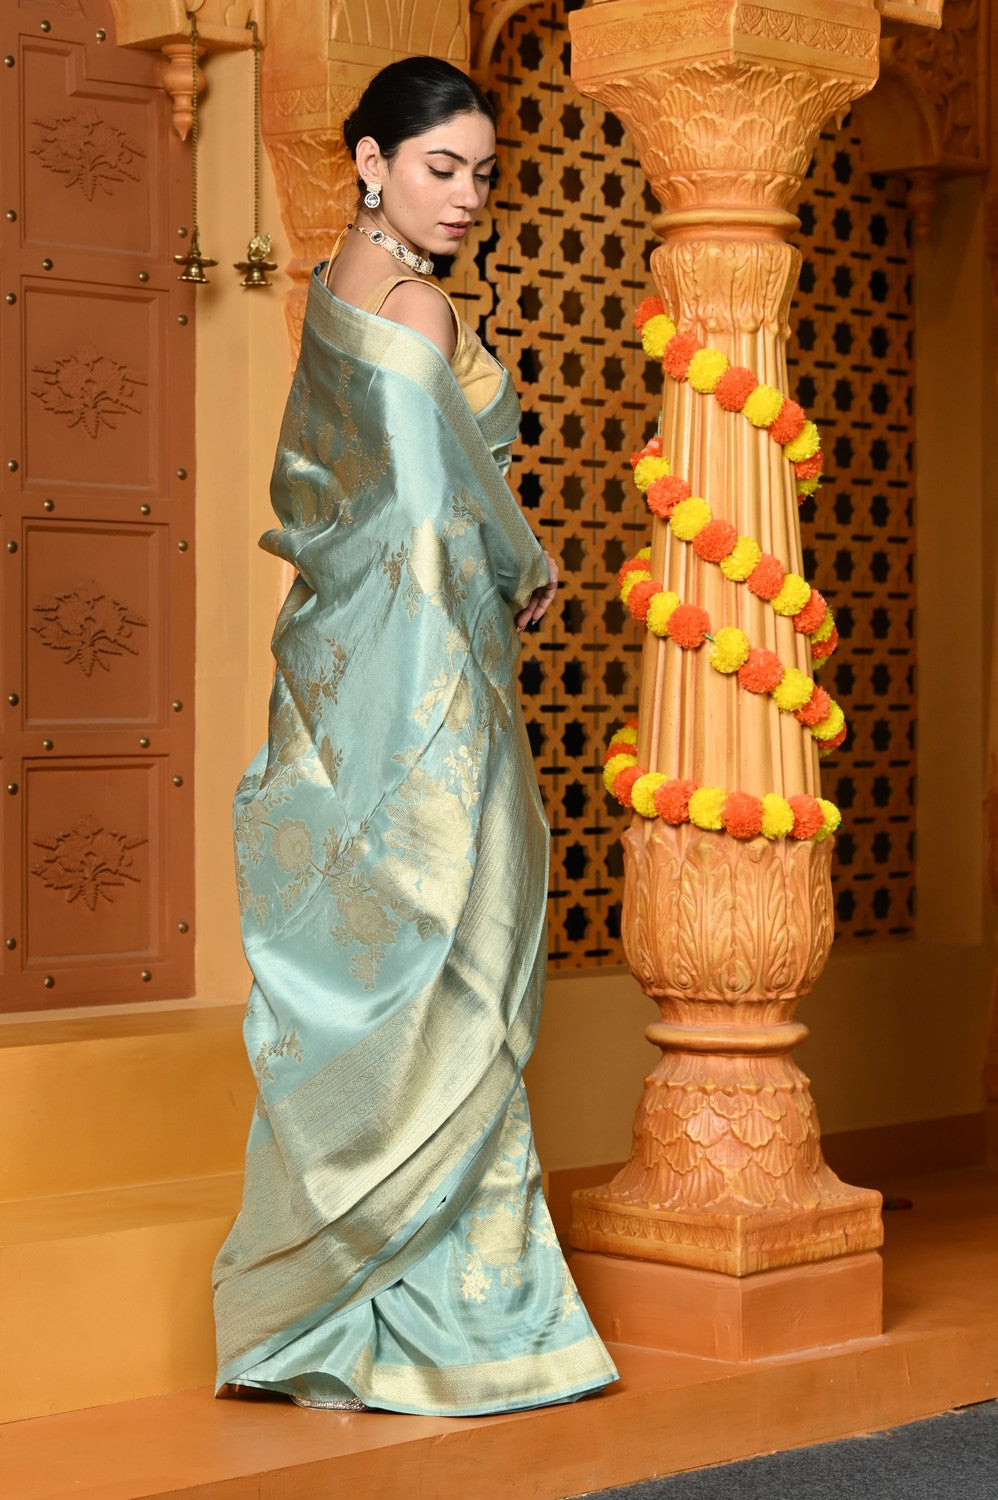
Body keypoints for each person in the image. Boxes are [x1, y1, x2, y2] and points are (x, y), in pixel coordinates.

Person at [213, 56, 618, 1416]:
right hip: (424, 683)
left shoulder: (336, 287)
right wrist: (530, 557)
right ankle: (464, 1327)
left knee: (373, 970)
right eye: (441, 168)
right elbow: (436, 513)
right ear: (370, 160)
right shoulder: (419, 309)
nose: (467, 197)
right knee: (451, 968)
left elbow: (343, 499)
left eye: (483, 175)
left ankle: (329, 1311)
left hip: (338, 677)